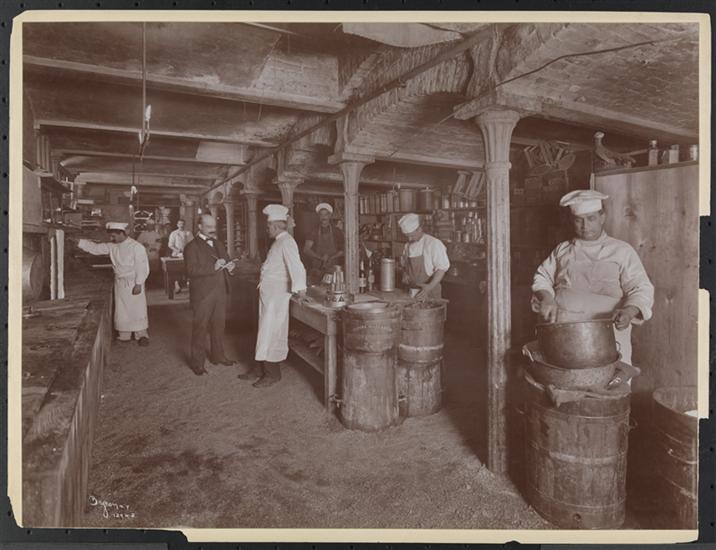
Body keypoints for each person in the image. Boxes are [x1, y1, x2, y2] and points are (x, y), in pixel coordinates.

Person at [531, 189, 655, 365]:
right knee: (565, 376)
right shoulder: (562, 250)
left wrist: (628, 312)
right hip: (563, 332)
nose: (585, 226)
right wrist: (547, 298)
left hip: (608, 334)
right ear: (571, 221)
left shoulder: (621, 251)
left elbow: (641, 288)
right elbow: (542, 277)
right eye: (578, 220)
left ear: (602, 217)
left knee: (608, 377)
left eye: (591, 218)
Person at [183, 214, 247, 376]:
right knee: (201, 327)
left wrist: (231, 267)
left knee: (219, 325)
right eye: (208, 226)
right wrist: (213, 267)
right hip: (203, 293)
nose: (213, 229)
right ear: (199, 227)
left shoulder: (218, 243)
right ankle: (197, 363)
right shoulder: (191, 247)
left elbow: (227, 261)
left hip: (220, 291)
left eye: (214, 226)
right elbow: (191, 270)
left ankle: (218, 356)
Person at [253, 204, 307, 388]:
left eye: (269, 226)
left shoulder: (287, 242)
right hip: (269, 295)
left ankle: (272, 374)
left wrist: (301, 290)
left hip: (277, 296)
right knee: (265, 331)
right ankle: (260, 367)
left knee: (273, 333)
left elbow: (297, 266)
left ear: (276, 226)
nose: (267, 229)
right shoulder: (278, 241)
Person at [77, 222, 150, 346]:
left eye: (113, 236)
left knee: (137, 309)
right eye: (110, 236)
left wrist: (139, 283)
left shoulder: (136, 247)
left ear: (122, 233)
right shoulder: (112, 246)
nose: (111, 239)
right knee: (122, 310)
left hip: (133, 282)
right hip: (120, 283)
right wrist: (79, 242)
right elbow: (96, 248)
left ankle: (142, 335)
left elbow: (142, 267)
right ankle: (124, 335)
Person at [398, 213, 450, 300]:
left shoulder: (433, 243)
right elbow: (405, 264)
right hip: (412, 291)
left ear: (419, 229)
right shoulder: (407, 245)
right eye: (407, 236)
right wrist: (405, 273)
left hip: (430, 291)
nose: (409, 239)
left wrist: (429, 287)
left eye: (411, 235)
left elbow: (441, 269)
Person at [303, 202, 344, 279]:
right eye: (321, 214)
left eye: (326, 214)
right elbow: (306, 249)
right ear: (318, 216)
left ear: (330, 215)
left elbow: (343, 250)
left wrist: (331, 257)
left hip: (333, 268)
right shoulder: (314, 231)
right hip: (317, 269)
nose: (323, 217)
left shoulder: (337, 231)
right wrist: (320, 257)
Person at [136, 219, 162, 284]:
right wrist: (143, 244)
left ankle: (153, 283)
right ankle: (147, 283)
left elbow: (159, 244)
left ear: (153, 226)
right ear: (147, 226)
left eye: (151, 225)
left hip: (154, 254)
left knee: (154, 270)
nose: (150, 226)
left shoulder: (157, 235)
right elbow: (137, 243)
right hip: (144, 254)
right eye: (148, 225)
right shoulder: (143, 234)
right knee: (145, 270)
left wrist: (154, 248)